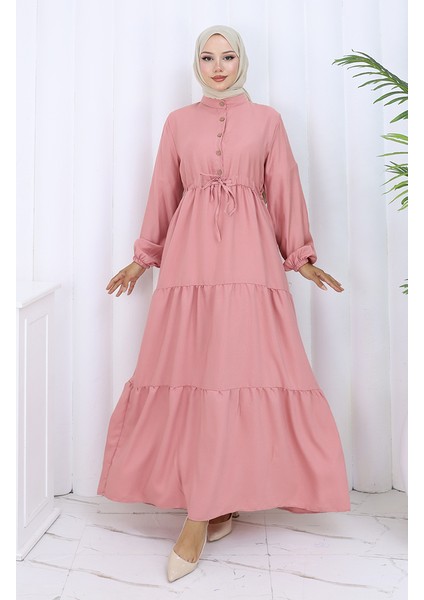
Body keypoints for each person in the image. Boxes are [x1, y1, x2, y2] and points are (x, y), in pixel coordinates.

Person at [97, 24, 351, 583]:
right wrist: (144, 257)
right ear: (197, 63)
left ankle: (203, 513)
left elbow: (284, 188)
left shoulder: (268, 121)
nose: (218, 67)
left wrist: (300, 255)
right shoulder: (177, 122)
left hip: (249, 262)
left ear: (242, 61)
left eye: (228, 56)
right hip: (189, 264)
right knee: (193, 374)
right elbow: (163, 191)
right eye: (208, 57)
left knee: (238, 374)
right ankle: (213, 501)